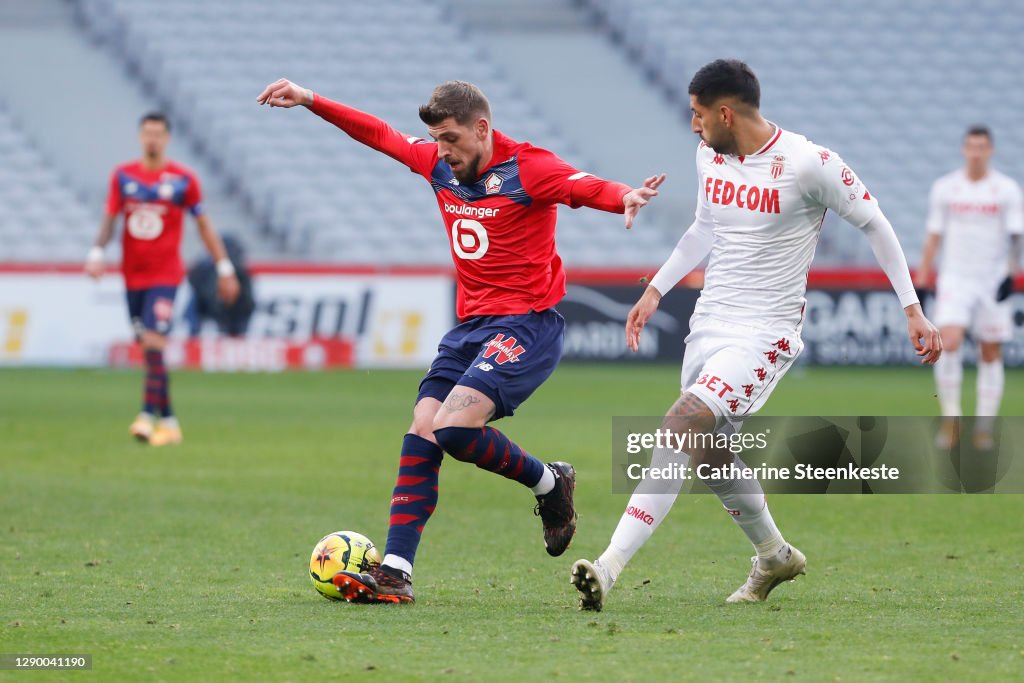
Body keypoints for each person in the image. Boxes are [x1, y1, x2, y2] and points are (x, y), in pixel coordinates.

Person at [257, 78, 665, 604]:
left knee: (451, 426)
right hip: (470, 329)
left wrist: (623, 197)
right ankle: (399, 570)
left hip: (527, 325)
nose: (442, 151)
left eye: (450, 139)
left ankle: (547, 484)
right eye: (436, 139)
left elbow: (581, 186)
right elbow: (379, 134)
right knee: (423, 429)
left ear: (482, 128)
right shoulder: (437, 164)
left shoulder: (527, 167)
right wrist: (312, 100)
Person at [571, 59, 942, 611]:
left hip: (766, 333)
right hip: (709, 324)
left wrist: (913, 309)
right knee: (709, 452)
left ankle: (609, 565)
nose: (693, 127)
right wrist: (655, 291)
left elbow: (875, 224)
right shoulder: (709, 155)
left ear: (725, 112)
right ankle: (774, 556)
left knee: (681, 422)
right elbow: (704, 228)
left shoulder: (809, 164)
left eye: (698, 115)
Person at [85, 112, 240, 446]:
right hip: (133, 277)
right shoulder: (123, 176)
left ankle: (144, 417)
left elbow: (203, 226)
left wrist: (224, 267)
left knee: (155, 342)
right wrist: (97, 252)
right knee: (150, 349)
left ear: (166, 138)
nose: (152, 139)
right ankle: (169, 423)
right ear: (140, 137)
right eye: (147, 133)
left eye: (158, 133)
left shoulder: (184, 180)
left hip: (166, 276)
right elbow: (110, 218)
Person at [915, 126, 1023, 450]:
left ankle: (985, 426)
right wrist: (921, 278)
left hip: (991, 279)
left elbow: (1016, 236)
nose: (976, 152)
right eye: (971, 146)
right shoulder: (946, 188)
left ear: (990, 150)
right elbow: (934, 235)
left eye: (982, 147)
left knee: (990, 350)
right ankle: (951, 418)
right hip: (955, 278)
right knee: (948, 341)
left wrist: (1012, 274)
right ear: (964, 150)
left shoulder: (1005, 189)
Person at [187, 234, 255, 337]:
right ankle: (194, 336)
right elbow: (198, 285)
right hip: (212, 305)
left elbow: (248, 301)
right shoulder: (207, 267)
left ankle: (237, 336)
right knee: (194, 303)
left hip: (234, 309)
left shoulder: (240, 272)